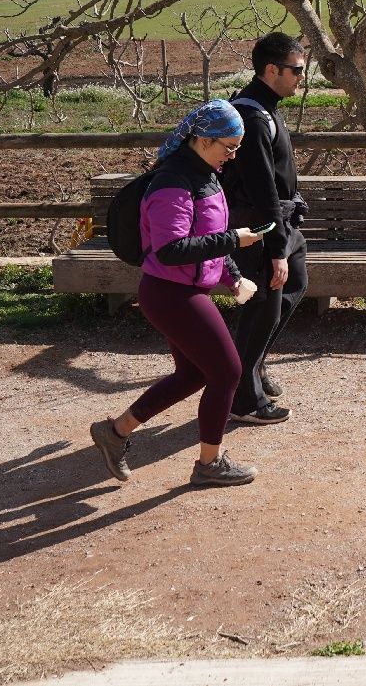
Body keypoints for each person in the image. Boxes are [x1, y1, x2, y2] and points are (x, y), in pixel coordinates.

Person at [89, 99, 264, 488]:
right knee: (228, 371)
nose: (233, 156)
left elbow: (208, 237)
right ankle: (210, 464)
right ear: (203, 140)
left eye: (237, 147)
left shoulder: (206, 175)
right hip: (171, 294)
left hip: (179, 291)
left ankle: (115, 432)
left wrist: (232, 276)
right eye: (229, 147)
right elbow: (171, 250)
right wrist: (235, 240)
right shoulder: (173, 181)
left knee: (192, 375)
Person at [223, 32, 309, 426]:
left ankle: (252, 368)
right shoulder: (253, 117)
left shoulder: (267, 107)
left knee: (292, 290)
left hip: (281, 224)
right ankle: (243, 401)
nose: (301, 78)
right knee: (263, 311)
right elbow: (261, 190)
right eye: (296, 70)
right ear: (271, 69)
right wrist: (275, 249)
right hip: (260, 230)